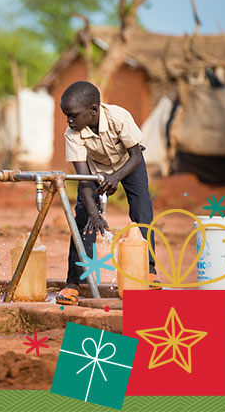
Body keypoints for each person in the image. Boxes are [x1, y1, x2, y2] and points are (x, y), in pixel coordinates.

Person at [56, 81, 159, 306]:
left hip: (128, 164)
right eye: (66, 116)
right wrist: (95, 213)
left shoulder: (118, 117)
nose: (69, 120)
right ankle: (74, 283)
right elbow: (83, 179)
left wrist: (117, 176)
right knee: (83, 219)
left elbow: (136, 156)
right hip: (95, 171)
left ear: (93, 110)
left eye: (73, 115)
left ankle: (148, 270)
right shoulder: (72, 133)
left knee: (142, 208)